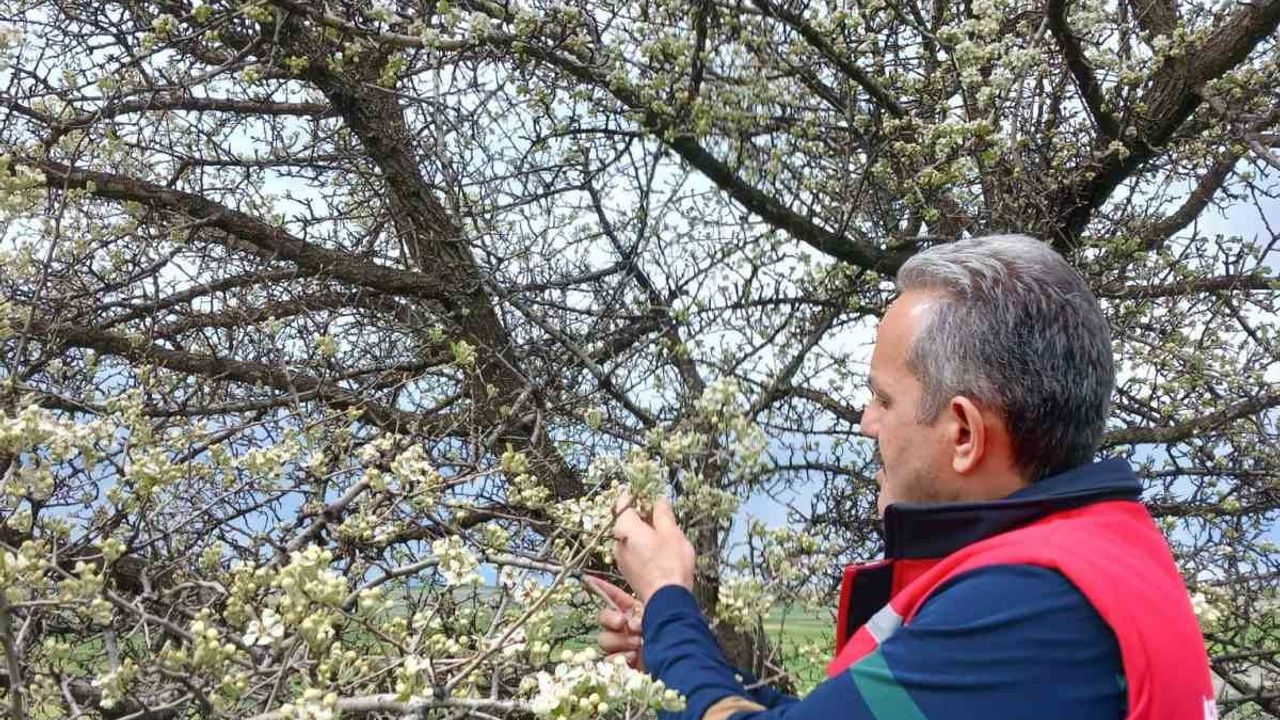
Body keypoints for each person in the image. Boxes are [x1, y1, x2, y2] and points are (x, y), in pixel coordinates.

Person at [590, 235, 1217, 720]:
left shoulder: (1026, 606)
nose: (866, 424)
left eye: (883, 400)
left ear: (964, 434)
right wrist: (673, 654)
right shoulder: (1091, 564)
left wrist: (668, 593)